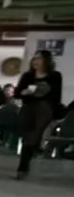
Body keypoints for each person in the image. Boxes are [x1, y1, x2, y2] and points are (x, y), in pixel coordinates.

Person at [15, 49, 63, 180]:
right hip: (28, 107)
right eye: (34, 58)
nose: (35, 61)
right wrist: (25, 93)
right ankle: (29, 156)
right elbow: (17, 93)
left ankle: (22, 167)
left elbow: (56, 96)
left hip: (44, 109)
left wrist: (55, 114)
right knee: (28, 135)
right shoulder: (28, 76)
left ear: (46, 61)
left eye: (39, 58)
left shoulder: (55, 76)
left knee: (34, 134)